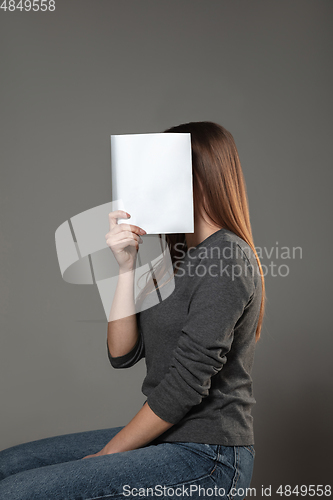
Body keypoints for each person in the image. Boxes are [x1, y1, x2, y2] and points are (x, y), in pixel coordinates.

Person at [0, 121, 266, 499]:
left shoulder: (226, 256)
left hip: (209, 453)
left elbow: (186, 384)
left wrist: (107, 455)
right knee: (6, 467)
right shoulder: (175, 256)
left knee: (17, 492)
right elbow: (121, 353)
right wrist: (125, 265)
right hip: (168, 437)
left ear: (200, 175)